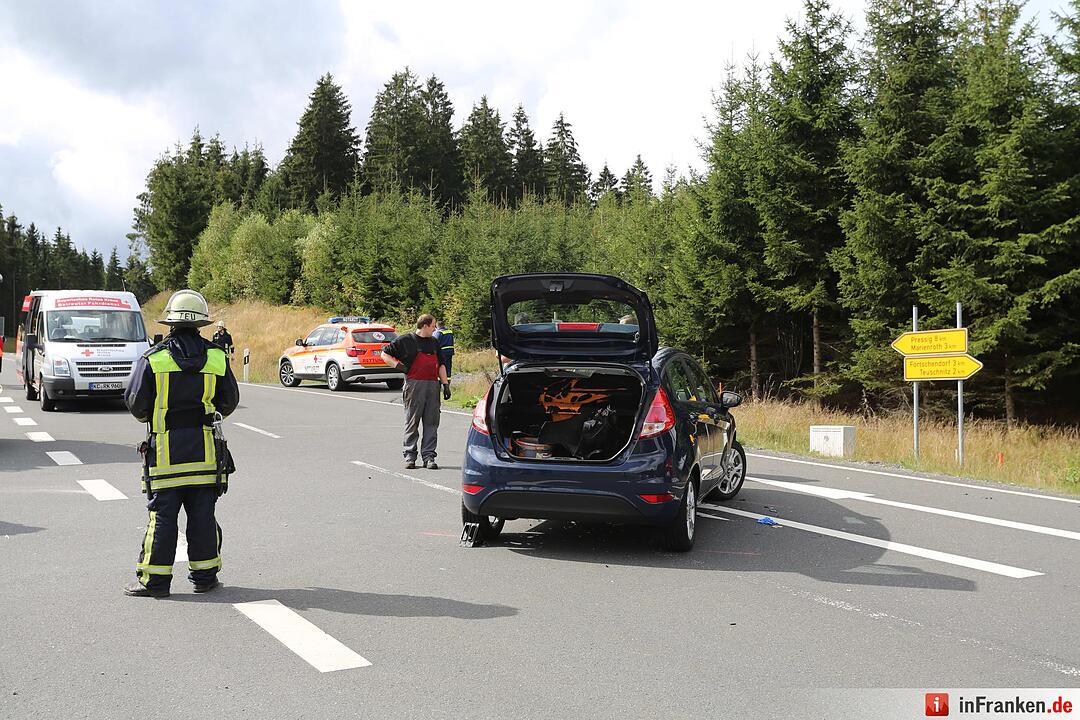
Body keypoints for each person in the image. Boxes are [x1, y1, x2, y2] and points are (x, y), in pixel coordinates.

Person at [122, 290, 240, 598]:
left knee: (162, 518)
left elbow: (137, 405)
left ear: (171, 322)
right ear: (201, 323)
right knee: (202, 515)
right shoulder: (216, 357)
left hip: (165, 457)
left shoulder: (153, 359)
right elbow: (229, 401)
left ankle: (156, 582)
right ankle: (204, 578)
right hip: (205, 455)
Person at [381, 314, 450, 470]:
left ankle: (429, 457)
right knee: (412, 421)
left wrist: (445, 384)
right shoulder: (406, 340)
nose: (435, 329)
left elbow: (441, 364)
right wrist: (397, 366)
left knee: (432, 422)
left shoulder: (434, 342)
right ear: (425, 326)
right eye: (433, 326)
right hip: (414, 386)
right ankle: (410, 456)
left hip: (433, 386)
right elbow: (384, 354)